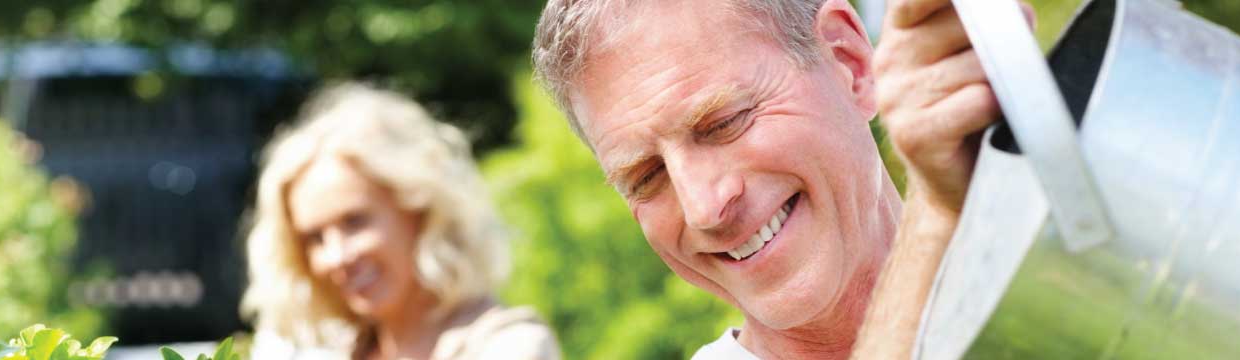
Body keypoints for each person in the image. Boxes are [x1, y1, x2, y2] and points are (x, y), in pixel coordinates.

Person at [530, 0, 1018, 358]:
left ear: (850, 64)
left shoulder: (1064, 256)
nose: (703, 207)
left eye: (723, 123)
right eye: (646, 176)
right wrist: (936, 215)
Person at [240, 84, 561, 360]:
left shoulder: (510, 347)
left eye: (354, 222)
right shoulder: (333, 351)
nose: (336, 256)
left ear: (420, 210)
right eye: (315, 238)